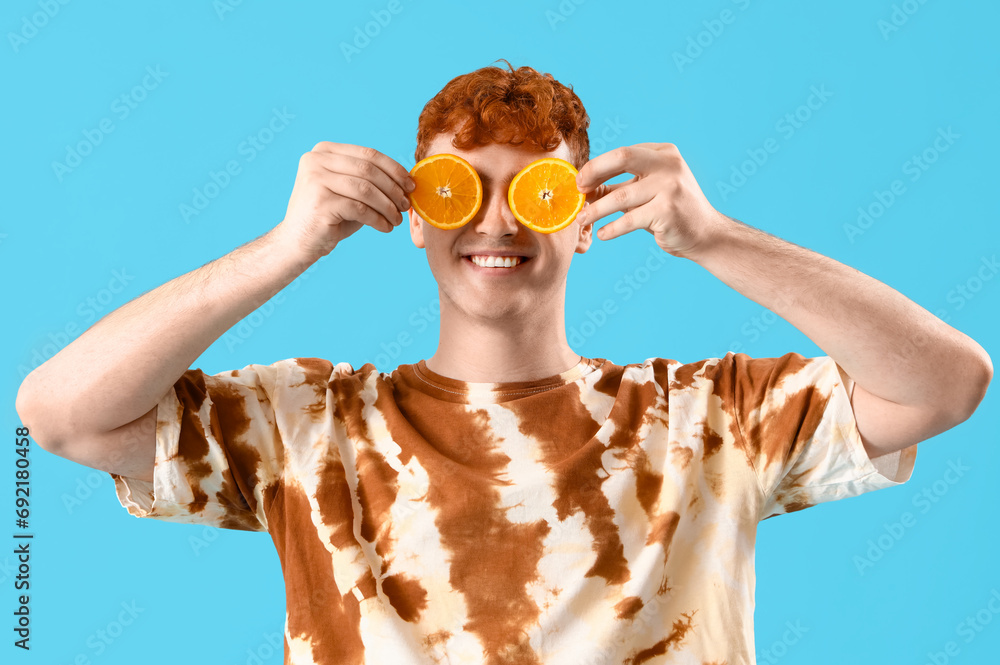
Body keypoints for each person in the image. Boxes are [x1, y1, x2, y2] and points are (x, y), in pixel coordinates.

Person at [16, 60, 992, 665]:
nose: (493, 219)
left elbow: (947, 383)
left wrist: (716, 238)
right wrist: (286, 247)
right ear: (410, 215)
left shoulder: (712, 415)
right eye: (458, 188)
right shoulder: (308, 420)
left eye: (532, 191)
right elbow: (61, 414)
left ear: (581, 217)